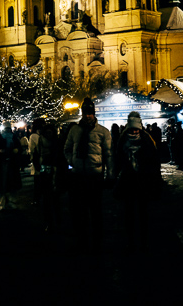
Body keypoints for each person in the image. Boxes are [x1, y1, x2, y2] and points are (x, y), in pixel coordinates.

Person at [64, 97, 113, 252]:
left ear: (94, 113)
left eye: (90, 113)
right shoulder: (74, 130)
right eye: (85, 113)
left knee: (96, 210)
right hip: (78, 175)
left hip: (95, 175)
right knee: (80, 210)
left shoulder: (102, 132)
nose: (87, 116)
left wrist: (109, 173)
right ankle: (82, 240)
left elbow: (108, 154)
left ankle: (97, 241)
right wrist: (72, 161)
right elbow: (67, 148)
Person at [113, 111, 161, 253]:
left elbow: (154, 162)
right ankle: (131, 242)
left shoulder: (147, 141)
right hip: (128, 182)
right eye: (132, 129)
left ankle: (143, 242)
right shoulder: (122, 142)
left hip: (143, 182)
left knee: (143, 213)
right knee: (129, 214)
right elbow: (117, 161)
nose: (134, 132)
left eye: (136, 129)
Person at [0, 123, 23, 210]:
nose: (7, 130)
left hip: (12, 162)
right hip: (4, 162)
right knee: (3, 183)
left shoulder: (13, 137)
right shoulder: (1, 137)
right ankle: (2, 203)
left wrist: (17, 151)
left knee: (11, 183)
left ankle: (11, 201)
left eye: (8, 128)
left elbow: (19, 148)